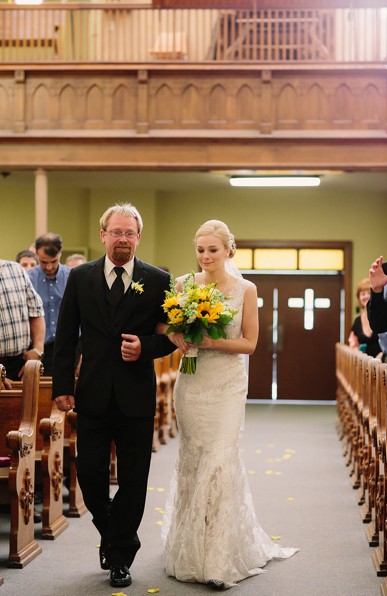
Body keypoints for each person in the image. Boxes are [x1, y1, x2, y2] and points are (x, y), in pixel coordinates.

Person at [160, 220, 297, 588]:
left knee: (220, 459)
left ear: (227, 251)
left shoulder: (245, 289)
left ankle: (218, 560)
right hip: (191, 384)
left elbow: (250, 343)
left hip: (226, 386)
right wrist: (182, 339)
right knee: (194, 458)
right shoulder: (184, 286)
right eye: (200, 250)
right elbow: (169, 328)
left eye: (212, 250)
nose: (205, 256)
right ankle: (191, 548)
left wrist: (210, 341)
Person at [51, 203, 175, 588]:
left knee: (135, 480)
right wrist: (62, 388)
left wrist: (146, 348)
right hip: (92, 393)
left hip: (136, 395)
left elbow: (170, 335)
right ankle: (114, 532)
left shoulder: (157, 279)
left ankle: (121, 557)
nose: (122, 239)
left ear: (138, 237)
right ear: (103, 235)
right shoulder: (81, 277)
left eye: (129, 233)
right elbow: (67, 334)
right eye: (116, 232)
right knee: (88, 473)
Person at [28, 233, 72, 375]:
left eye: (53, 261)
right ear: (36, 254)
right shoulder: (28, 278)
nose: (48, 267)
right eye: (43, 262)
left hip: (68, 348)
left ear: (60, 253)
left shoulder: (72, 277)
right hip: (38, 349)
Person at [0, 258, 45, 386]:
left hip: (19, 365)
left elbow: (36, 311)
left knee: (26, 406)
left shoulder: (16, 269)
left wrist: (37, 349)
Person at [347, 277, 382, 358]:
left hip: (384, 364)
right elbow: (353, 344)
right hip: (364, 365)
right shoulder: (357, 321)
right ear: (359, 298)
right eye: (363, 294)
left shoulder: (383, 316)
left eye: (369, 293)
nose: (366, 296)